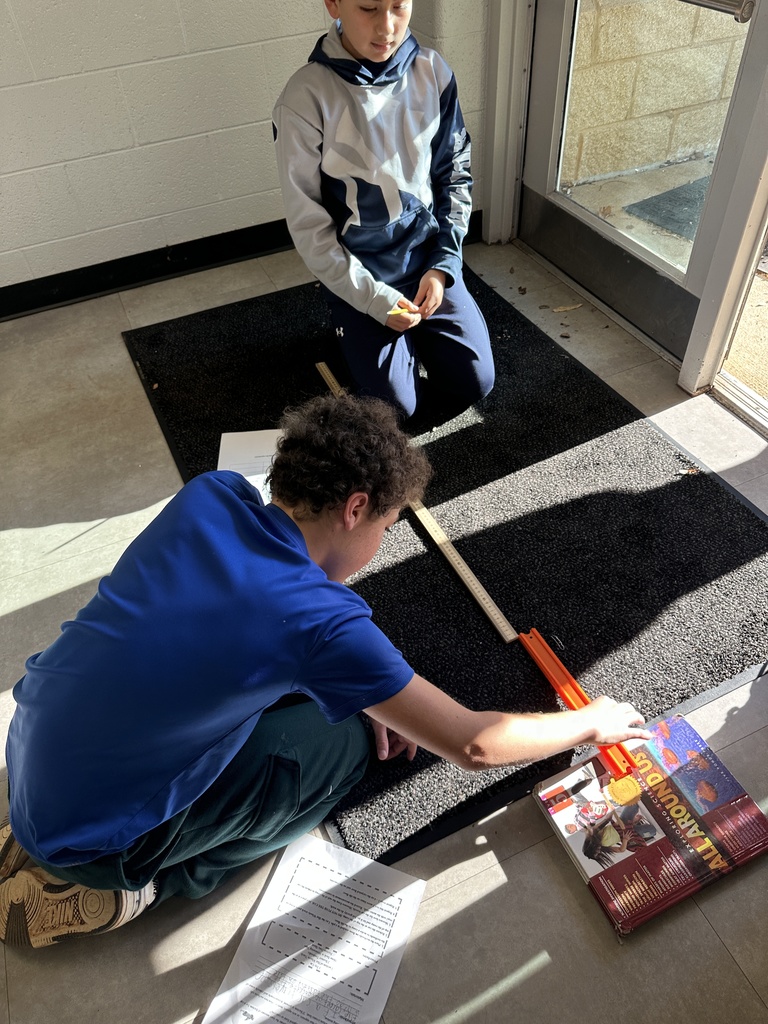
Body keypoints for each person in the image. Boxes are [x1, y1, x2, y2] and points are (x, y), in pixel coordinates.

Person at [0, 393, 649, 949]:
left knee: (309, 696)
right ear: (355, 507)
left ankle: (51, 836)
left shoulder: (209, 494)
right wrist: (591, 720)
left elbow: (233, 626)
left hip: (34, 754)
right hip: (97, 840)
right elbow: (474, 744)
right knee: (341, 743)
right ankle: (144, 887)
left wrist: (356, 687)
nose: (379, 544)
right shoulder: (317, 621)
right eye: (387, 527)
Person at [272, 0, 495, 421]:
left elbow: (455, 173)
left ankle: (402, 349)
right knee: (395, 410)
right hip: (361, 272)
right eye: (369, 8)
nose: (387, 27)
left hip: (425, 258)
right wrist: (373, 300)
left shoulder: (433, 72)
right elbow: (309, 228)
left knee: (475, 381)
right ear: (333, 4)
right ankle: (354, 339)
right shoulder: (304, 98)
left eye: (399, 6)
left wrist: (444, 265)